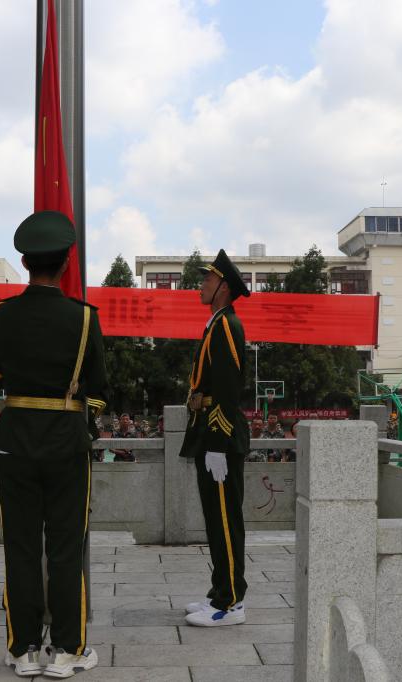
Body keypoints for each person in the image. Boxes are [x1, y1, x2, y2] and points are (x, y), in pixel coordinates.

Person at [0, 210, 107, 677]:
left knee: (19, 548)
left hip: (15, 440)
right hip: (66, 442)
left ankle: (23, 649)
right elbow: (99, 385)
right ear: (66, 262)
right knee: (64, 549)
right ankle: (68, 649)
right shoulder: (84, 318)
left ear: (24, 261)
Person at [180, 248, 251, 627]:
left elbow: (227, 389)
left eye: (208, 279)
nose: (202, 285)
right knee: (216, 519)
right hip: (209, 430)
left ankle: (231, 603)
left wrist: (218, 445)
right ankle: (219, 590)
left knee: (225, 521)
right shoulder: (217, 323)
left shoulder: (226, 326)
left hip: (218, 434)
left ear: (223, 286)